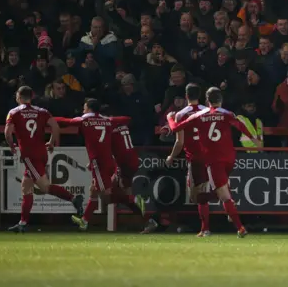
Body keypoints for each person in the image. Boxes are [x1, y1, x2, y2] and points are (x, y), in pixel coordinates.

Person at [167, 87, 261, 238]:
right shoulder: (227, 114)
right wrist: (253, 138)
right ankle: (229, 210)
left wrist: (169, 118)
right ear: (221, 100)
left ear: (207, 100)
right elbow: (240, 125)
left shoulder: (198, 115)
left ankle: (239, 227)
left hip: (212, 160)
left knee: (218, 194)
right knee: (221, 189)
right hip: (230, 158)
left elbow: (176, 128)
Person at [54, 99, 146, 231]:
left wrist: (48, 118)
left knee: (106, 195)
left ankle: (133, 200)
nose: (83, 110)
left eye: (84, 108)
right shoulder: (107, 121)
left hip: (99, 162)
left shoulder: (85, 120)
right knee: (94, 190)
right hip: (108, 160)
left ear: (89, 109)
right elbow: (126, 119)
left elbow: (65, 121)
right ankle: (84, 221)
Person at [4, 86, 84, 233]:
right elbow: (55, 127)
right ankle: (23, 223)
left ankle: (73, 198)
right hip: (41, 152)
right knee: (26, 187)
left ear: (18, 97)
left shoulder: (14, 112)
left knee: (44, 187)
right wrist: (52, 142)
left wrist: (12, 146)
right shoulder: (41, 111)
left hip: (29, 154)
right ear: (32, 96)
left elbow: (8, 134)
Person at [164, 83, 210, 236]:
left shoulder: (181, 114)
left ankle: (205, 228)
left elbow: (180, 141)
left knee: (196, 195)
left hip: (195, 157)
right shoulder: (208, 111)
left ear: (186, 96)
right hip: (211, 155)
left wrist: (171, 156)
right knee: (202, 192)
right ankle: (206, 226)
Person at [110, 121, 155, 233]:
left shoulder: (107, 129)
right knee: (124, 192)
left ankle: (136, 201)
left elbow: (109, 150)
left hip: (124, 163)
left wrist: (116, 169)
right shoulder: (122, 126)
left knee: (114, 194)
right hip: (132, 159)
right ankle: (148, 222)